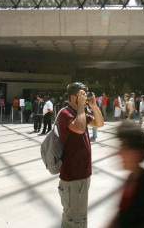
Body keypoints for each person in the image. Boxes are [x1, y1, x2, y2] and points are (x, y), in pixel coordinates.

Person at [57, 82, 104, 228]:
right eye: (82, 94)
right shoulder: (65, 113)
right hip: (72, 176)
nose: (85, 97)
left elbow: (99, 123)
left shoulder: (80, 113)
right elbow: (78, 128)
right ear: (72, 97)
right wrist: (82, 107)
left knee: (80, 217)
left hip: (83, 174)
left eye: (85, 94)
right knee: (74, 219)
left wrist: (94, 106)